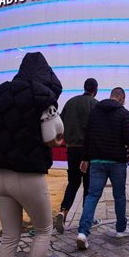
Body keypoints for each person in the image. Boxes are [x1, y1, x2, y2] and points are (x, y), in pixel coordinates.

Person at [0, 52, 63, 257]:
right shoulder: (42, 96)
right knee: (43, 230)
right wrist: (60, 140)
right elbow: (52, 137)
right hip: (28, 176)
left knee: (9, 236)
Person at [76, 87, 129, 250]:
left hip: (97, 160)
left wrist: (85, 158)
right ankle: (121, 228)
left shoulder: (95, 111)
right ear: (121, 98)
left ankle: (82, 233)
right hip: (117, 161)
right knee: (119, 195)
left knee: (92, 196)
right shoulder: (124, 113)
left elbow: (87, 136)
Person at [54, 78, 98, 234]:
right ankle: (87, 218)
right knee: (88, 185)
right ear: (95, 89)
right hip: (88, 151)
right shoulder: (95, 104)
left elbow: (60, 123)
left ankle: (63, 212)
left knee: (73, 182)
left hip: (72, 149)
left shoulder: (71, 102)